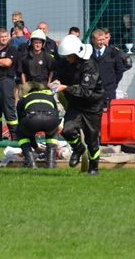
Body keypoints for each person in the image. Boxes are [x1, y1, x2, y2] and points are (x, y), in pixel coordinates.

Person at [51, 34, 104, 175]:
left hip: (92, 106)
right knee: (67, 130)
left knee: (92, 139)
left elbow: (85, 91)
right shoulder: (67, 63)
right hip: (75, 104)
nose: (67, 59)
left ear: (76, 53)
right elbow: (60, 75)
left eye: (69, 56)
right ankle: (79, 149)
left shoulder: (90, 66)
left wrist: (65, 88)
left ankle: (94, 168)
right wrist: (56, 82)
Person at [16, 82, 60, 169]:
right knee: (52, 133)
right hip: (51, 119)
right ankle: (51, 163)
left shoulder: (23, 98)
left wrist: (34, 147)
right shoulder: (50, 97)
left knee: (21, 133)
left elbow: (23, 125)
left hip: (32, 119)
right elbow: (56, 114)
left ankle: (31, 162)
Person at [90, 29, 125, 107]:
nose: (101, 42)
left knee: (109, 114)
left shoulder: (113, 52)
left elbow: (119, 70)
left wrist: (113, 84)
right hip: (93, 90)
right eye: (99, 40)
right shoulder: (89, 53)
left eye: (103, 39)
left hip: (109, 90)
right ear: (93, 40)